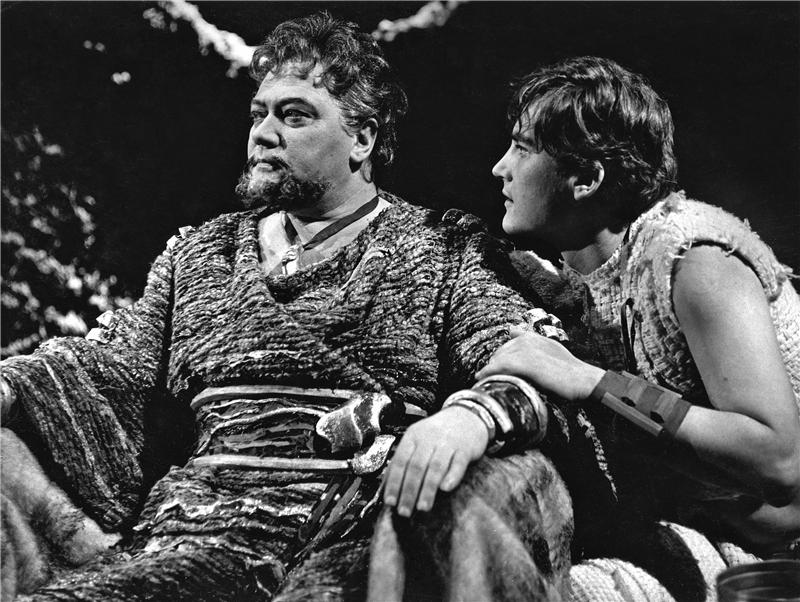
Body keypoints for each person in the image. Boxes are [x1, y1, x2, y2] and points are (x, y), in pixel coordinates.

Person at [0, 13, 580, 601]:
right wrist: (7, 385)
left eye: (294, 115)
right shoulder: (200, 251)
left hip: (350, 529)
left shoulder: (443, 246)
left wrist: (469, 418)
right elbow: (107, 365)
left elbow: (528, 359)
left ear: (362, 139)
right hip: (190, 531)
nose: (263, 133)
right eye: (259, 114)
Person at [480, 55, 800, 567]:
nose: (501, 167)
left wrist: (591, 381)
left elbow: (781, 462)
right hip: (712, 536)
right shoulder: (573, 278)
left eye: (522, 147)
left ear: (586, 178)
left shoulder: (692, 258)